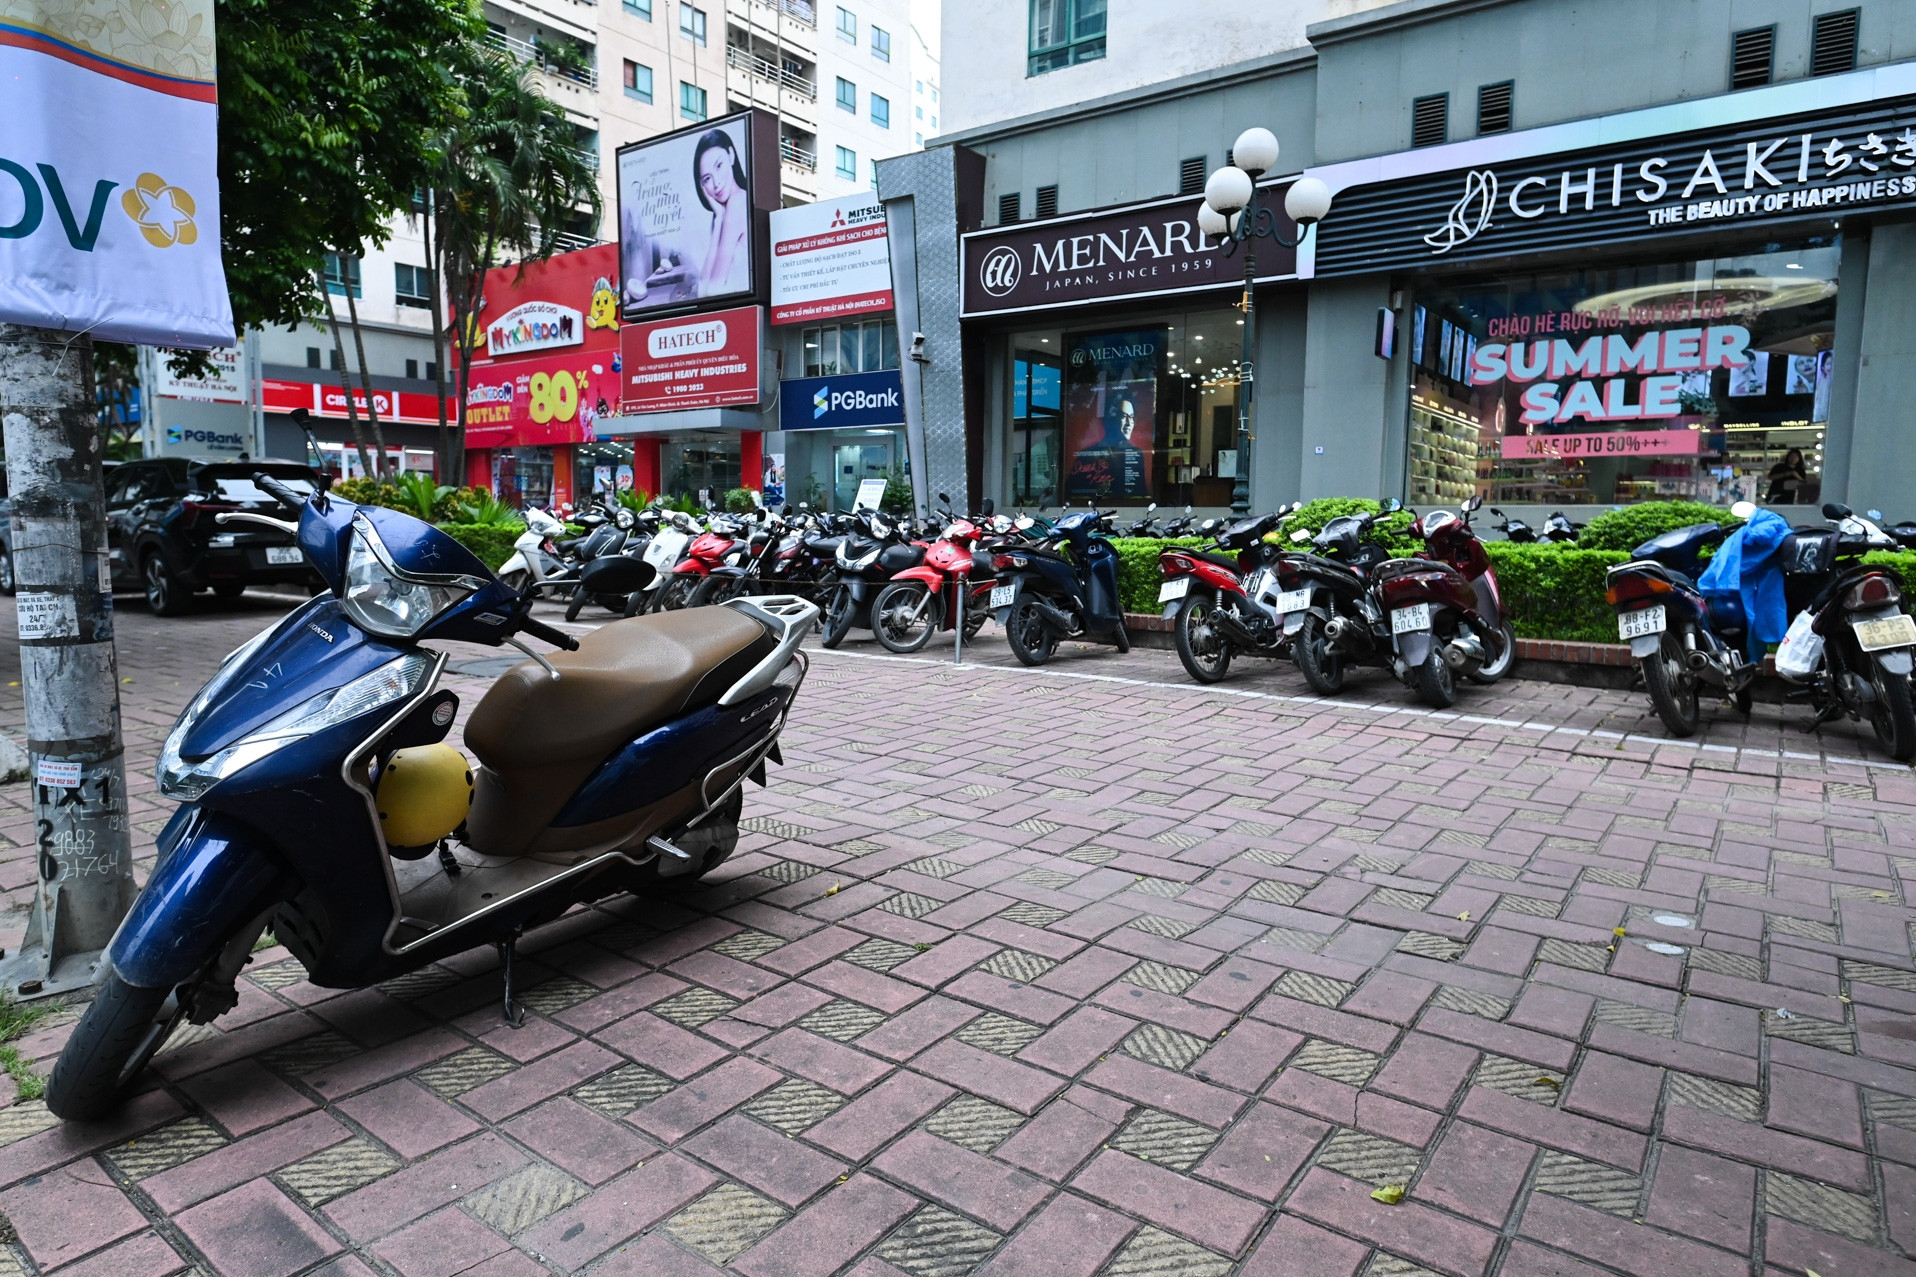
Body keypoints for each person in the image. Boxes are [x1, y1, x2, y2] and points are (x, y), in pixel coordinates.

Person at [692, 130, 750, 298]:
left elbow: (711, 291)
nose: (716, 182)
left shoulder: (738, 203)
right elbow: (703, 289)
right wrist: (719, 220)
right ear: (702, 186)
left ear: (731, 155)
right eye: (707, 179)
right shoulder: (723, 212)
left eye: (719, 166)